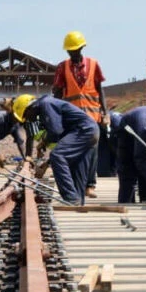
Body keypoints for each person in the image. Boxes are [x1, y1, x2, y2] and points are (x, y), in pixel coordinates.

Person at [12, 94, 98, 205]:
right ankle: (77, 202)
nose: (27, 119)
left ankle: (71, 199)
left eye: (25, 115)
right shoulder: (47, 104)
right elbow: (60, 134)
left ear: (30, 107)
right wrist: (46, 163)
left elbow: (55, 132)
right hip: (89, 130)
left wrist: (45, 143)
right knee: (77, 164)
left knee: (57, 155)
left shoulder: (46, 105)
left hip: (83, 131)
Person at [52, 31, 109, 197]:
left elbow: (100, 89)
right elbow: (57, 93)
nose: (73, 53)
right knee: (75, 152)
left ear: (82, 48)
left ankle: (90, 184)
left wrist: (106, 113)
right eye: (70, 51)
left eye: (76, 50)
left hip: (92, 116)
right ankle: (78, 184)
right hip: (72, 119)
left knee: (92, 151)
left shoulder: (93, 64)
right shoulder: (62, 67)